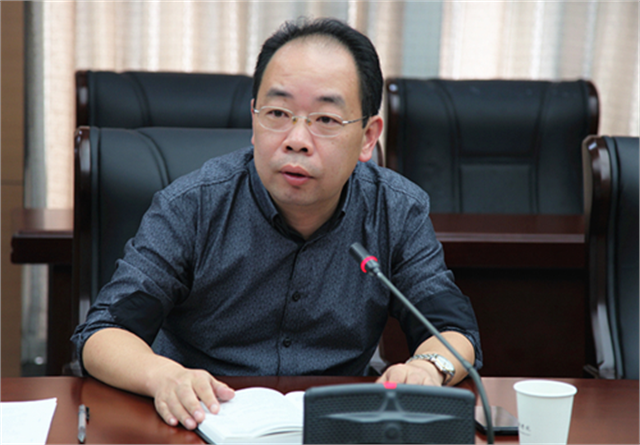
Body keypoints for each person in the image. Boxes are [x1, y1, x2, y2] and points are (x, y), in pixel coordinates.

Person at [71, 17, 482, 431]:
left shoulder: (395, 210)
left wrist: (428, 369)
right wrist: (163, 376)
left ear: (368, 137)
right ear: (254, 120)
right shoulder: (193, 206)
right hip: (198, 423)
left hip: (334, 426)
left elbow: (453, 331)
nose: (296, 140)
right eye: (278, 113)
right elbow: (103, 333)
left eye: (325, 119)